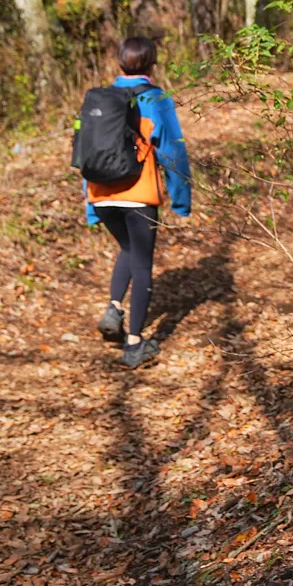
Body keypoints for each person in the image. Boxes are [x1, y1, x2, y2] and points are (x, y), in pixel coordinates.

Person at [83, 36, 192, 368]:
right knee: (142, 262)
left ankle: (114, 308)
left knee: (128, 249)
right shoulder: (156, 99)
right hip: (138, 193)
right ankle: (134, 344)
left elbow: (86, 151)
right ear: (151, 64)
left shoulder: (99, 99)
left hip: (101, 194)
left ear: (119, 63)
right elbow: (172, 151)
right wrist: (182, 200)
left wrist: (91, 205)